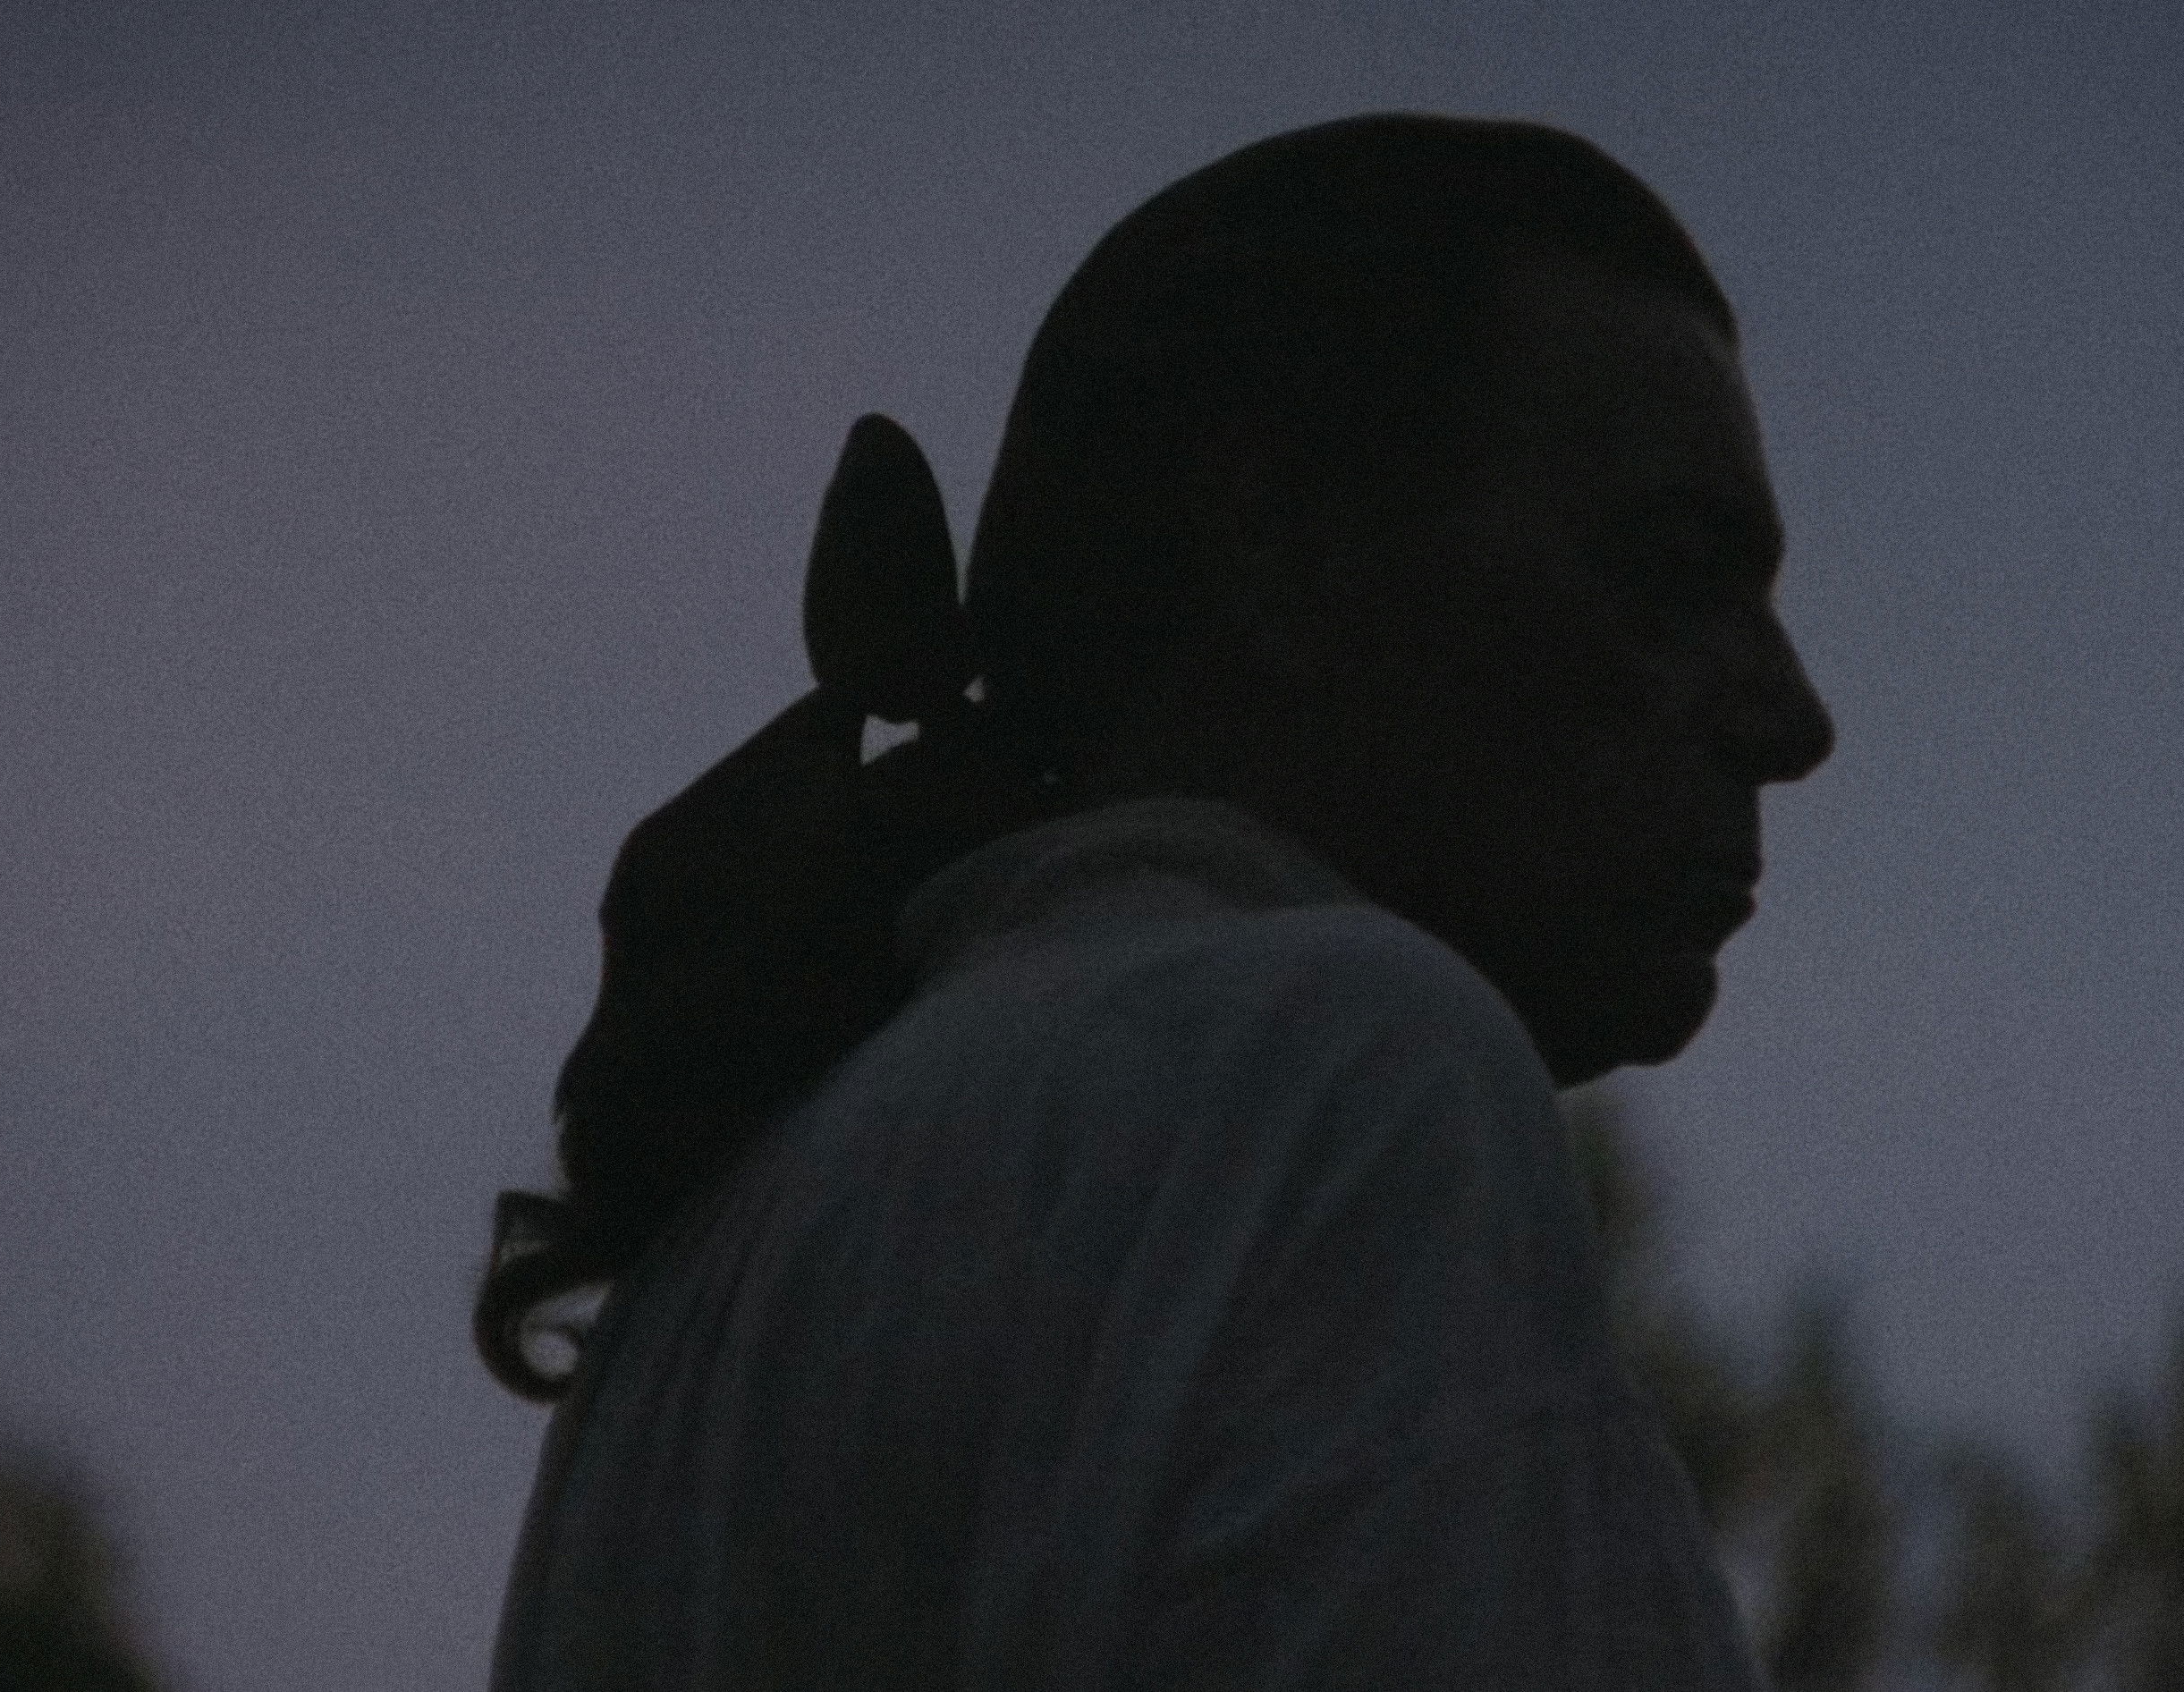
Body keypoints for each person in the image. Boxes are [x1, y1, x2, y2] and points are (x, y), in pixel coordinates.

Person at [478, 113, 1835, 1691]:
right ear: (1282, 542)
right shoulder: (1331, 1067)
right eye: (1671, 569)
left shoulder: (700, 1296)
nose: (1791, 717)